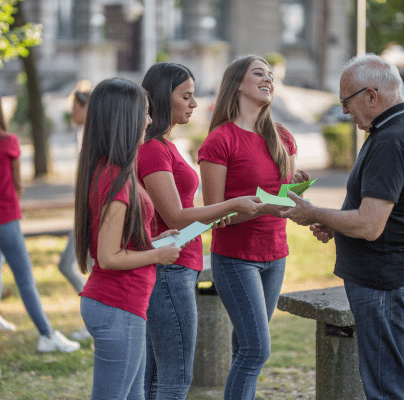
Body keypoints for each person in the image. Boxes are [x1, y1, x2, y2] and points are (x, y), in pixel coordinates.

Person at [281, 54, 404, 400]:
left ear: (370, 95)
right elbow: (385, 215)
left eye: (345, 101)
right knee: (385, 381)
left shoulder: (391, 139)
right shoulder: (403, 126)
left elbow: (369, 225)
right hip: (391, 277)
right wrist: (337, 224)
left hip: (385, 282)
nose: (345, 112)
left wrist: (313, 212)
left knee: (386, 389)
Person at [138, 62, 261, 399]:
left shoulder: (165, 145)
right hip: (170, 269)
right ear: (164, 99)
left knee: (154, 378)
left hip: (176, 264)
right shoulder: (152, 150)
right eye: (186, 96)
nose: (194, 103)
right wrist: (233, 204)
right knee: (174, 380)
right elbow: (176, 217)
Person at [197, 55, 309, 399]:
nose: (268, 80)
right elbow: (213, 215)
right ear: (238, 85)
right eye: (258, 74)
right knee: (257, 349)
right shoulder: (219, 141)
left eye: (271, 76)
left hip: (275, 255)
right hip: (235, 258)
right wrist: (267, 207)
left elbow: (280, 199)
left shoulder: (283, 138)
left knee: (245, 347)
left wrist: (294, 188)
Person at [75, 77, 184, 400]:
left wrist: (153, 241)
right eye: (144, 113)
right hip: (117, 304)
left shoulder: (115, 170)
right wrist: (157, 256)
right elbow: (108, 257)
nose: (150, 121)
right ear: (125, 118)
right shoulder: (115, 177)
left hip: (124, 304)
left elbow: (119, 242)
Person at [0, 88, 80, 357]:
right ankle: (47, 335)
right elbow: (17, 185)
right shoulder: (9, 141)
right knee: (25, 280)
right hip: (5, 220)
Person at [57, 81, 93, 341]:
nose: (72, 113)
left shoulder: (94, 138)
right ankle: (91, 321)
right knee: (68, 265)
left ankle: (91, 322)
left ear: (86, 108)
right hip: (84, 215)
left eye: (75, 107)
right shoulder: (84, 136)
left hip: (90, 217)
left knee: (74, 266)